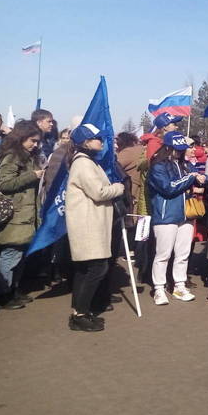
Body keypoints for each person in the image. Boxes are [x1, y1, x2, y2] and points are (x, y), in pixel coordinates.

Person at [64, 124, 126, 332]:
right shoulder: (83, 164)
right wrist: (118, 188)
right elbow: (98, 192)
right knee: (96, 268)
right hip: (87, 224)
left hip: (90, 222)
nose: (101, 141)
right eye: (97, 138)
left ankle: (80, 311)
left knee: (86, 269)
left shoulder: (87, 162)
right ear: (85, 142)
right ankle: (80, 313)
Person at [148, 132, 204, 305]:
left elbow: (198, 177)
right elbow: (168, 188)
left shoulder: (185, 165)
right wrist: (191, 178)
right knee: (163, 254)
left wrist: (201, 178)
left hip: (185, 214)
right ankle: (159, 288)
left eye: (182, 149)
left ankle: (179, 285)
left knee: (183, 253)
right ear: (168, 147)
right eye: (177, 149)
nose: (181, 152)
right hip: (166, 216)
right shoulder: (158, 166)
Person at [0, 121, 43, 310]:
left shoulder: (26, 156)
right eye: (33, 140)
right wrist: (32, 175)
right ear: (21, 137)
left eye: (38, 141)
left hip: (24, 217)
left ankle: (13, 290)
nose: (36, 145)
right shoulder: (13, 157)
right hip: (14, 217)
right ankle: (3, 294)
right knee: (10, 256)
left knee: (19, 256)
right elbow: (5, 184)